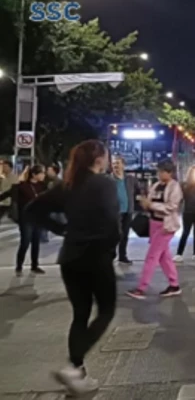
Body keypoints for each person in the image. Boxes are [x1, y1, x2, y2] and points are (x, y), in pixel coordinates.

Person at [25, 140, 120, 395]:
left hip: (70, 257)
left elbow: (31, 211)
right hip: (96, 256)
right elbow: (113, 222)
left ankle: (78, 371)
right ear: (99, 158)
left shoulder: (66, 186)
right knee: (106, 310)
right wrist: (112, 249)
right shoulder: (104, 184)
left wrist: (62, 229)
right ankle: (72, 369)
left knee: (80, 314)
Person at [126, 161, 182, 299]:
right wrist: (145, 203)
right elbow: (149, 203)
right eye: (159, 171)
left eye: (162, 171)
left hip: (166, 225)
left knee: (152, 257)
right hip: (154, 223)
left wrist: (151, 205)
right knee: (164, 257)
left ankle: (141, 288)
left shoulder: (175, 187)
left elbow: (171, 207)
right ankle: (174, 285)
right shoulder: (156, 185)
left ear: (169, 172)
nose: (159, 174)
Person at [1, 164, 47, 275]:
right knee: (25, 242)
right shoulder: (22, 186)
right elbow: (7, 194)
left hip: (38, 218)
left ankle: (34, 265)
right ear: (34, 174)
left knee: (36, 242)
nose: (43, 175)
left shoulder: (43, 186)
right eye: (41, 173)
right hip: (26, 219)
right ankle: (19, 266)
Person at [111, 157, 139, 265]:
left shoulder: (130, 179)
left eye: (117, 163)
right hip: (115, 212)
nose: (115, 166)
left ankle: (122, 256)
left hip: (128, 211)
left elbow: (138, 190)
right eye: (113, 164)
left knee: (125, 235)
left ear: (123, 165)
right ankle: (111, 256)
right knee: (115, 235)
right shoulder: (109, 179)